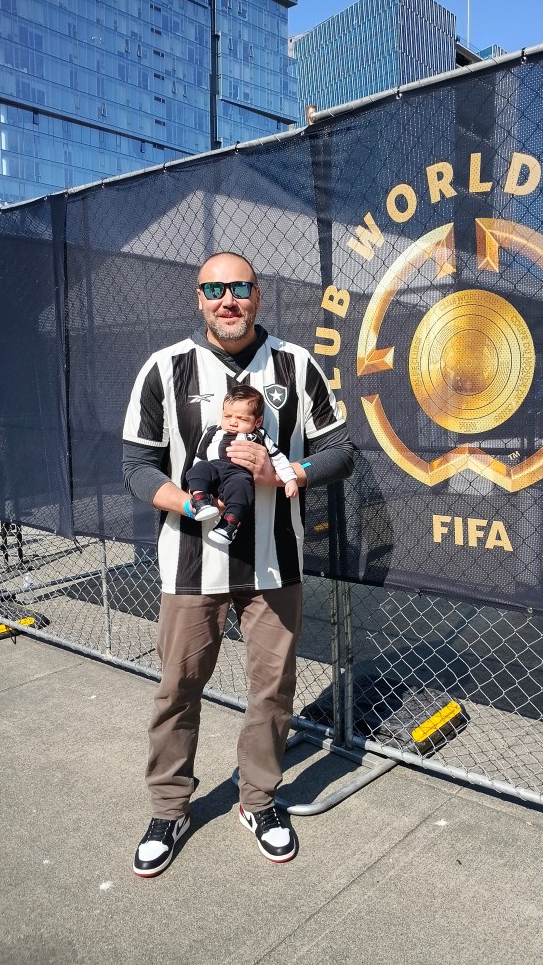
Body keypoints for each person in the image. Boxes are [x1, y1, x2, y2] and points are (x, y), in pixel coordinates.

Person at [122, 251, 353, 876]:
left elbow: (341, 453)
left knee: (272, 690)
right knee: (178, 688)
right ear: (199, 298)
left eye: (241, 288)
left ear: (258, 294)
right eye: (215, 289)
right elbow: (136, 467)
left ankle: (259, 798)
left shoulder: (297, 366)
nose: (229, 300)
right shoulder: (164, 369)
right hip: (191, 564)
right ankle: (169, 808)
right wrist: (190, 506)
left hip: (274, 566)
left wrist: (289, 472)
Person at [186, 383, 298, 546]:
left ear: (257, 421)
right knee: (199, 469)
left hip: (237, 474)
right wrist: (195, 482)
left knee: (242, 487)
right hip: (213, 469)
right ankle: (200, 500)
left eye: (242, 419)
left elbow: (278, 457)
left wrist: (290, 479)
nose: (232, 422)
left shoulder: (259, 435)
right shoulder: (213, 432)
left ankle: (229, 525)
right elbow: (199, 456)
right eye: (227, 416)